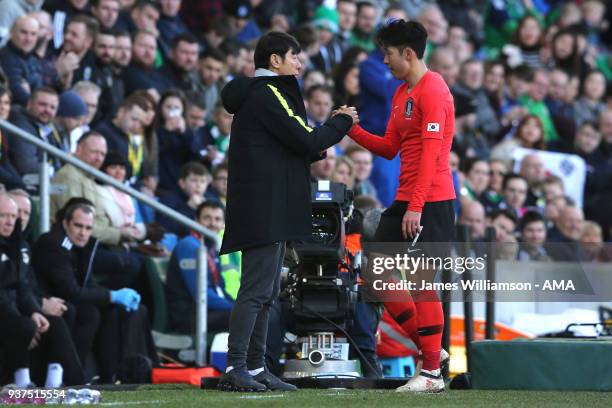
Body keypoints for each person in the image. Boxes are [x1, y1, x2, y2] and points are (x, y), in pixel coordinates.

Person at [217, 31, 357, 392]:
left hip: (270, 206)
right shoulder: (269, 94)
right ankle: (236, 367)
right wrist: (341, 122)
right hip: (263, 207)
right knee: (254, 290)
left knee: (266, 292)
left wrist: (317, 143)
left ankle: (255, 366)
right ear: (275, 60)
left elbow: (293, 145)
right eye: (295, 56)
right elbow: (306, 138)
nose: (300, 63)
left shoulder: (267, 96)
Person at [344, 20, 455, 393]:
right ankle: (431, 352)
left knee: (423, 283)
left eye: (388, 54)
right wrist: (352, 130)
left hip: (432, 201)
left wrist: (416, 207)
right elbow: (391, 147)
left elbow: (430, 155)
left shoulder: (434, 91)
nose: (385, 61)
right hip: (407, 200)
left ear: (408, 53)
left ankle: (431, 375)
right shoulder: (401, 92)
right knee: (373, 271)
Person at [0, 193, 84, 387]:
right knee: (25, 327)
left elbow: (22, 286)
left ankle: (76, 385)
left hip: (12, 310)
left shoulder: (19, 246)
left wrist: (34, 312)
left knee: (55, 321)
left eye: (14, 217)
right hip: (6, 313)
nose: (10, 222)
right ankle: (11, 381)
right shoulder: (34, 244)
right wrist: (24, 317)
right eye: (4, 216)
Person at [166, 201, 233, 334]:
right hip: (189, 317)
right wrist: (236, 308)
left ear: (223, 224)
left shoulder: (211, 247)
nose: (212, 223)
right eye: (207, 218)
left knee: (256, 313)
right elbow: (201, 294)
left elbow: (220, 288)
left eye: (217, 219)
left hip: (208, 311)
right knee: (246, 316)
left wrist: (239, 304)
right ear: (196, 221)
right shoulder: (189, 246)